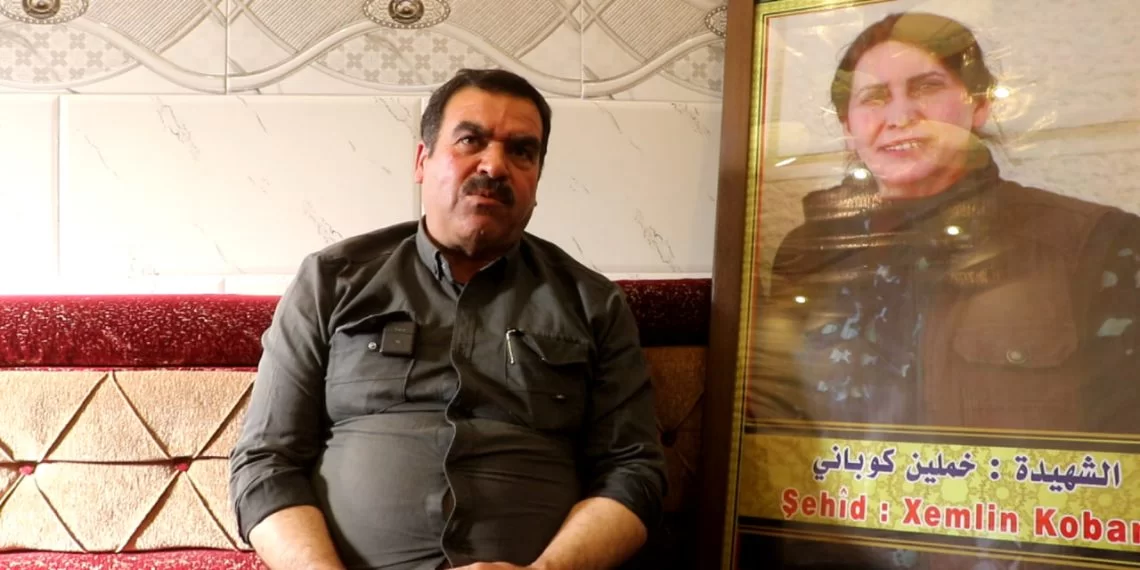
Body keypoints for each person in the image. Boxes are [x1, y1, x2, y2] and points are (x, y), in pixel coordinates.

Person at [229, 68, 666, 570]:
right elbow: (265, 461)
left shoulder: (593, 302)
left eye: (521, 151)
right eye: (470, 140)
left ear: (537, 180)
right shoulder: (331, 280)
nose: (494, 165)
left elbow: (634, 471)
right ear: (422, 160)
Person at [746, 11, 1140, 569]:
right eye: (874, 97)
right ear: (848, 125)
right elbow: (782, 445)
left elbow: (1123, 473)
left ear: (979, 105)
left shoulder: (1096, 245)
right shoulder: (808, 253)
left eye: (927, 87)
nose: (900, 115)